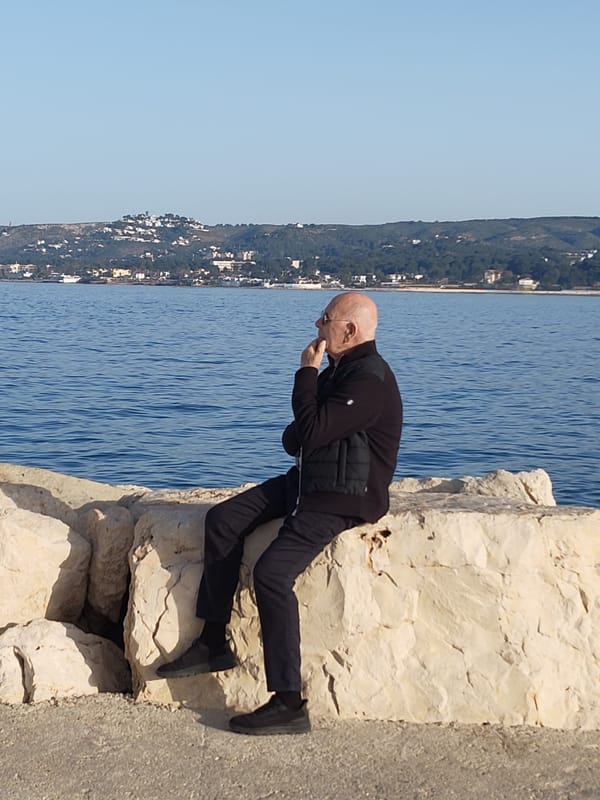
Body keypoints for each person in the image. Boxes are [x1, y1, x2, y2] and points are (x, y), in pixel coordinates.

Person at [157, 291, 403, 735]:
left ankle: (289, 701)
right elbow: (298, 439)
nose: (316, 325)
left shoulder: (370, 379)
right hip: (307, 482)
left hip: (342, 497)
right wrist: (312, 409)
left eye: (325, 318)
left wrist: (305, 373)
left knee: (271, 574)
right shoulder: (342, 372)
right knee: (223, 520)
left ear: (349, 329)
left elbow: (307, 429)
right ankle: (214, 641)